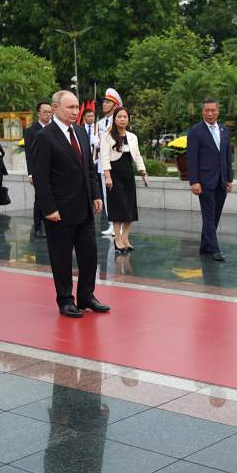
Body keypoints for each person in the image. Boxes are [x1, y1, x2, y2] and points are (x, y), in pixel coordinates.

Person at [32, 89, 109, 318]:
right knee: (62, 257)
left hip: (84, 206)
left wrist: (96, 195)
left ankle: (86, 295)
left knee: (89, 255)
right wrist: (49, 209)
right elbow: (41, 178)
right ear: (56, 108)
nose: (75, 111)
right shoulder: (44, 136)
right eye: (70, 107)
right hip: (60, 211)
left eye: (77, 107)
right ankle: (65, 300)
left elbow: (88, 168)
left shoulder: (80, 133)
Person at [187, 98, 233, 261]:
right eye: (207, 110)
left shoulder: (223, 130)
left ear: (218, 111)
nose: (210, 113)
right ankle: (214, 249)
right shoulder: (195, 131)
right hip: (204, 181)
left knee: (215, 216)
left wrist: (229, 179)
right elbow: (191, 158)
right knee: (208, 215)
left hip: (221, 180)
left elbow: (227, 155)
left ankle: (205, 246)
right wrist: (194, 181)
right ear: (202, 112)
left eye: (213, 110)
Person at [101, 106, 148, 253]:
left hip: (128, 176)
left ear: (128, 119)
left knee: (129, 208)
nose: (122, 119)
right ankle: (117, 240)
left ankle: (125, 238)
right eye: (119, 117)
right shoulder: (107, 136)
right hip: (114, 176)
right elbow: (105, 158)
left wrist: (143, 172)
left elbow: (138, 156)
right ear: (114, 119)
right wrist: (108, 177)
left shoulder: (133, 137)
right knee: (118, 208)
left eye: (125, 117)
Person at [25, 101, 53, 238]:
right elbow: (29, 154)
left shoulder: (55, 128)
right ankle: (38, 227)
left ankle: (50, 225)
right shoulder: (31, 130)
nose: (48, 114)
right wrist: (31, 174)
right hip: (38, 171)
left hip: (53, 171)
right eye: (45, 112)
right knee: (39, 199)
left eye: (50, 112)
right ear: (38, 114)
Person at [97, 88, 121, 237]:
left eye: (108, 102)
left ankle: (118, 225)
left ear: (115, 105)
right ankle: (112, 224)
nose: (104, 104)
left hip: (113, 163)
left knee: (115, 195)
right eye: (104, 102)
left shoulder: (118, 120)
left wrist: (101, 141)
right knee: (106, 195)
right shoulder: (100, 122)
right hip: (101, 163)